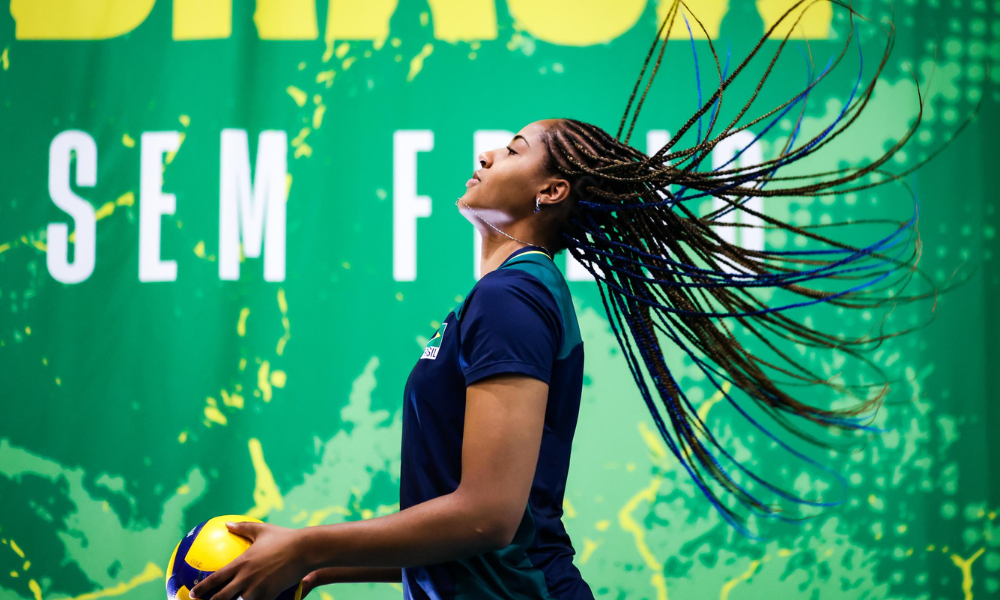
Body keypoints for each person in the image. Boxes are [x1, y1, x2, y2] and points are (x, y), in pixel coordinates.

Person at [187, 1, 980, 599]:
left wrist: (307, 543)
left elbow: (488, 517)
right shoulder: (504, 298)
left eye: (517, 147)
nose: (492, 150)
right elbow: (486, 533)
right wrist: (318, 566)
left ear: (552, 190)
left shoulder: (514, 300)